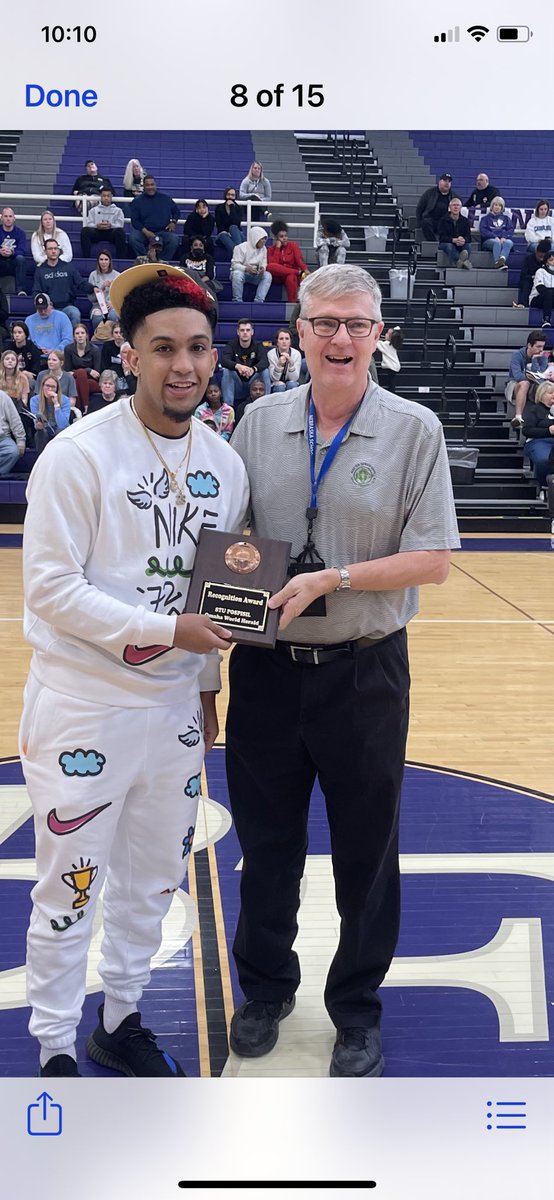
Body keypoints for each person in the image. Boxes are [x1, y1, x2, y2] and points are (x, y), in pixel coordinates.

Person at [226, 263, 459, 1078]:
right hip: (267, 671)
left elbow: (433, 561)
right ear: (298, 331)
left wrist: (337, 578)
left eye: (357, 324)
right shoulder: (256, 423)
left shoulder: (413, 430)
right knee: (265, 843)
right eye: (325, 322)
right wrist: (214, 641)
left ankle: (356, 1009)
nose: (341, 338)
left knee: (368, 850)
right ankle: (263, 989)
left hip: (365, 672)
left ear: (378, 334)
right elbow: (234, 547)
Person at [20, 263, 249, 1078]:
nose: (184, 365)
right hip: (84, 708)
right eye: (163, 349)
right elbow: (49, 590)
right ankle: (52, 1045)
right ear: (129, 354)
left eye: (196, 348)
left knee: (153, 882)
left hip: (174, 714)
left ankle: (119, 1018)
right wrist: (166, 628)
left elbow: (217, 592)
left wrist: (208, 686)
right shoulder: (78, 456)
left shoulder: (225, 465)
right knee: (72, 888)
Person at [33, 240, 94, 327]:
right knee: (38, 314)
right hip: (49, 308)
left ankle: (73, 340)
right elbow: (36, 291)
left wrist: (93, 288)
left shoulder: (68, 267)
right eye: (50, 249)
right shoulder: (40, 270)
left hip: (67, 306)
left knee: (75, 313)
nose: (53, 251)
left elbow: (81, 283)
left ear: (59, 250)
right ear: (45, 251)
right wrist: (44, 306)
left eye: (55, 248)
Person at [221, 318, 271, 409]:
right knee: (227, 371)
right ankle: (228, 411)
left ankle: (266, 405)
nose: (245, 332)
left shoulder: (258, 345)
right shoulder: (231, 345)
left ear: (252, 332)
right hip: (237, 386)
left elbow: (265, 361)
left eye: (247, 330)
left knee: (265, 371)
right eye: (242, 330)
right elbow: (224, 360)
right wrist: (238, 366)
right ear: (238, 332)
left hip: (254, 384)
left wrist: (253, 369)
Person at [128, 176, 180, 261]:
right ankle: (145, 259)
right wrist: (146, 231)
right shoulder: (137, 201)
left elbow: (176, 212)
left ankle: (162, 261)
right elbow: (135, 220)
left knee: (174, 239)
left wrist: (173, 222)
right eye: (147, 185)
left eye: (152, 184)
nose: (150, 187)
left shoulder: (166, 199)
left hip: (163, 232)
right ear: (143, 186)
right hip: (144, 232)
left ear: (155, 185)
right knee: (133, 238)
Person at [506, 330, 548, 429]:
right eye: (538, 346)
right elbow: (517, 376)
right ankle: (518, 417)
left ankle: (544, 418)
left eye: (543, 346)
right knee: (525, 383)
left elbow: (540, 375)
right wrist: (530, 377)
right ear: (529, 345)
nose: (541, 350)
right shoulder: (517, 355)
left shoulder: (543, 356)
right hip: (515, 384)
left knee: (544, 387)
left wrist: (534, 360)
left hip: (534, 384)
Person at [522, 380, 554, 492]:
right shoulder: (535, 409)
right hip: (538, 441)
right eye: (551, 393)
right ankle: (545, 488)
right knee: (544, 459)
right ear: (542, 394)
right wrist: (548, 431)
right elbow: (526, 430)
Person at [29, 372, 71, 453]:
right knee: (40, 433)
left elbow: (63, 425)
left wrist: (56, 405)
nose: (50, 389)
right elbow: (35, 422)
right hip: (44, 430)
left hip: (59, 430)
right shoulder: (34, 400)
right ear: (42, 386)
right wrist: (38, 425)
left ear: (57, 389)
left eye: (53, 387)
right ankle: (41, 460)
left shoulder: (65, 400)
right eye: (47, 386)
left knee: (60, 431)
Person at [64, 323, 102, 412]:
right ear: (74, 336)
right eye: (77, 334)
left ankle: (78, 410)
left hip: (92, 381)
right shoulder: (68, 349)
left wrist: (83, 372)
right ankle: (86, 407)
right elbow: (68, 371)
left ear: (87, 335)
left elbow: (96, 373)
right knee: (80, 374)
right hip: (75, 379)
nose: (80, 336)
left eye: (82, 333)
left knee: (79, 376)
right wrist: (88, 370)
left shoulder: (95, 349)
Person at [267, 221, 308, 303]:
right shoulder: (271, 249)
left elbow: (299, 260)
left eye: (286, 236)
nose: (285, 238)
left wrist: (305, 269)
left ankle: (292, 304)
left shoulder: (293, 245)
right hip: (279, 276)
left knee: (291, 277)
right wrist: (277, 248)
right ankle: (298, 272)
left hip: (291, 275)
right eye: (281, 236)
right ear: (276, 238)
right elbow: (273, 264)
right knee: (269, 266)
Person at [80, 187, 126, 259]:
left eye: (108, 196)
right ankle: (86, 257)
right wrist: (97, 225)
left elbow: (120, 224)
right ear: (101, 197)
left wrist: (111, 225)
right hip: (97, 232)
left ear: (111, 197)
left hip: (111, 232)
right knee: (85, 230)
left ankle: (120, 258)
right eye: (104, 196)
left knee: (120, 232)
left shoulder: (118, 210)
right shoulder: (93, 210)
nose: (106, 198)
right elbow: (89, 223)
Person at [230, 226, 272, 303]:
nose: (264, 241)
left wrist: (263, 268)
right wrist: (246, 269)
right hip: (243, 273)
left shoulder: (264, 249)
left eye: (265, 239)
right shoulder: (240, 248)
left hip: (256, 274)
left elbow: (264, 262)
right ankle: (237, 301)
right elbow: (234, 265)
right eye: (262, 239)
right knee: (237, 274)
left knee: (268, 275)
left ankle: (259, 301)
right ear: (255, 238)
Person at [415, 173, 453, 241]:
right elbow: (419, 209)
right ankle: (433, 243)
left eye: (449, 181)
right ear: (439, 182)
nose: (447, 183)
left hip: (445, 222)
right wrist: (418, 224)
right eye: (445, 180)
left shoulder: (454, 196)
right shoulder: (429, 193)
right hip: (431, 221)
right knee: (425, 222)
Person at [514, 239, 550, 309]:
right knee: (527, 283)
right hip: (529, 279)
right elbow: (523, 275)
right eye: (540, 257)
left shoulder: (548, 261)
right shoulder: (528, 259)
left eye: (543, 257)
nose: (541, 259)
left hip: (543, 281)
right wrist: (534, 277)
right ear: (536, 252)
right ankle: (524, 304)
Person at [88, 251, 120, 329]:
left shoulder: (117, 275)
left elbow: (121, 295)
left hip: (112, 305)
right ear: (98, 261)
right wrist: (102, 288)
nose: (103, 262)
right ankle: (98, 337)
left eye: (106, 259)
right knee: (97, 317)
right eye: (101, 259)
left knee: (113, 315)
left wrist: (113, 304)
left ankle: (112, 338)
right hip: (97, 306)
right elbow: (91, 298)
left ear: (110, 261)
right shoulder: (93, 275)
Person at [479, 197, 514, 269]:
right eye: (495, 205)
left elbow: (510, 229)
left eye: (499, 205)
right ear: (492, 206)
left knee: (509, 242)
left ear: (502, 207)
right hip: (489, 240)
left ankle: (502, 259)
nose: (497, 207)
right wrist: (495, 237)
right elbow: (483, 231)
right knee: (496, 243)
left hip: (503, 239)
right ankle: (497, 262)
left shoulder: (506, 219)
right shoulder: (485, 219)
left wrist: (504, 237)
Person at [437, 197, 472, 268]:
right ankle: (460, 262)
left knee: (468, 245)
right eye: (454, 205)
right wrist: (453, 240)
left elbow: (469, 237)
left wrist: (463, 240)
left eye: (457, 205)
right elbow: (442, 238)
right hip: (447, 243)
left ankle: (462, 262)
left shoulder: (465, 221)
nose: (456, 207)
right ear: (449, 207)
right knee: (449, 246)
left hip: (460, 243)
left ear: (461, 208)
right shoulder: (443, 220)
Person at [0, 206, 28, 295]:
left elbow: (22, 250)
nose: (8, 219)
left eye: (10, 216)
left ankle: (20, 290)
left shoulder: (20, 233)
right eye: (6, 216)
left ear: (14, 218)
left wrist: (12, 252)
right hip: (1, 261)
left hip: (13, 262)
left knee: (21, 259)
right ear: (1, 218)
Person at [0, 386, 26, 474]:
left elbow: (15, 420)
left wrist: (21, 440)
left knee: (13, 452)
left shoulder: (3, 397)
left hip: (2, 439)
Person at [214, 187, 245, 259]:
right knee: (224, 235)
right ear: (225, 195)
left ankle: (237, 257)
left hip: (237, 234)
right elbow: (219, 224)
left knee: (233, 227)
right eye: (228, 194)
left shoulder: (239, 208)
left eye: (232, 195)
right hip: (223, 234)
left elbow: (236, 223)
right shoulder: (219, 208)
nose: (230, 197)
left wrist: (232, 207)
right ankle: (241, 256)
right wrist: (227, 232)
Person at [372, 326, 403, 393]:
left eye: (387, 334)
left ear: (390, 337)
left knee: (391, 384)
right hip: (394, 366)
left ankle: (391, 394)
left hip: (391, 367)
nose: (385, 334)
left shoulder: (387, 345)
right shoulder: (393, 345)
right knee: (391, 383)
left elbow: (377, 344)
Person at [529, 249, 554, 328]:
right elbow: (540, 288)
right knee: (548, 293)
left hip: (550, 299)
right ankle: (546, 319)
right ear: (546, 262)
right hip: (537, 299)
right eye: (551, 260)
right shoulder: (540, 271)